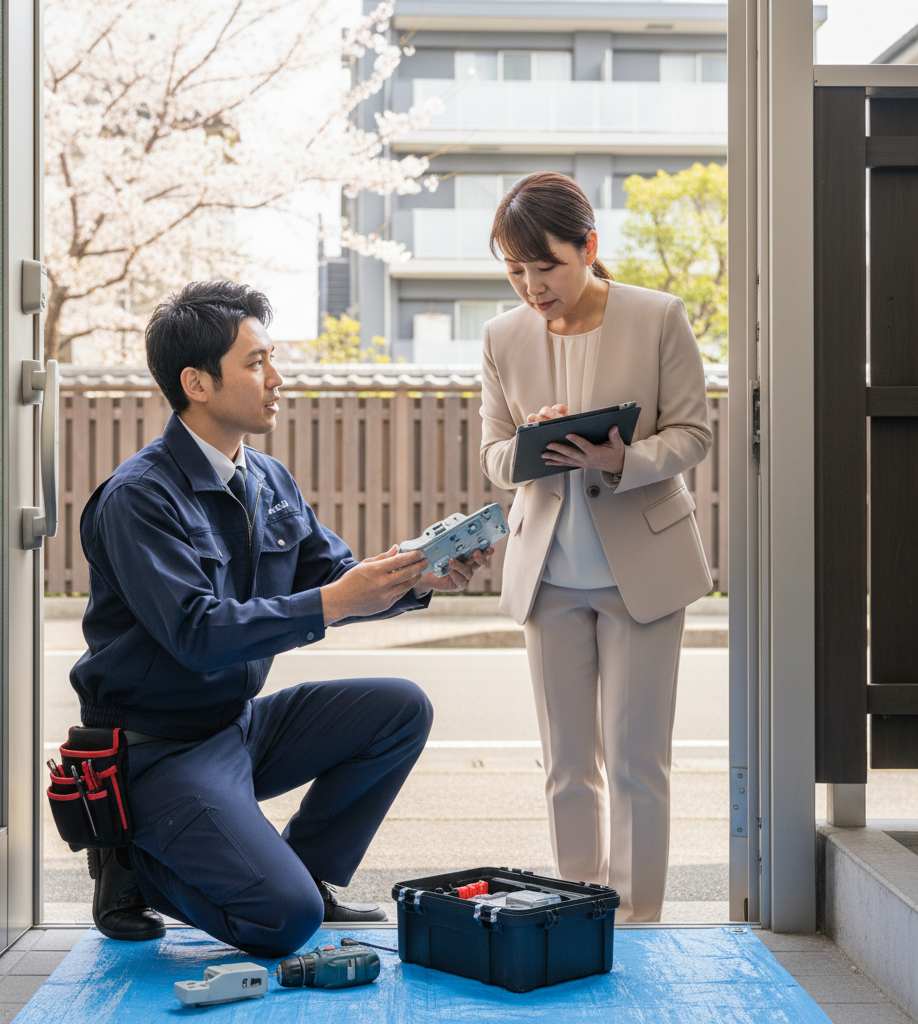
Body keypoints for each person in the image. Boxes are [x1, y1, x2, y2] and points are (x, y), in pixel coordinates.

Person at [69, 280, 490, 956]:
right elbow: (199, 635)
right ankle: (132, 862)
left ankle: (307, 871)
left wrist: (417, 579)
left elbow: (332, 579)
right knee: (284, 924)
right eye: (256, 362)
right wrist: (337, 599)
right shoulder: (139, 498)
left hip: (237, 727)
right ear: (197, 383)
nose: (276, 377)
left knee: (399, 710)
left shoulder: (266, 478)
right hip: (158, 749)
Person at [479, 172, 712, 923]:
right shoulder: (501, 336)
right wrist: (527, 443)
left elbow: (694, 434)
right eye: (515, 270)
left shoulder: (658, 316)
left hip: (641, 571)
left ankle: (639, 922)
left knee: (638, 762)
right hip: (547, 576)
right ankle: (580, 914)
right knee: (567, 767)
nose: (530, 286)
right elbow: (491, 455)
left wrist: (620, 459)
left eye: (544, 265)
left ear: (589, 247)